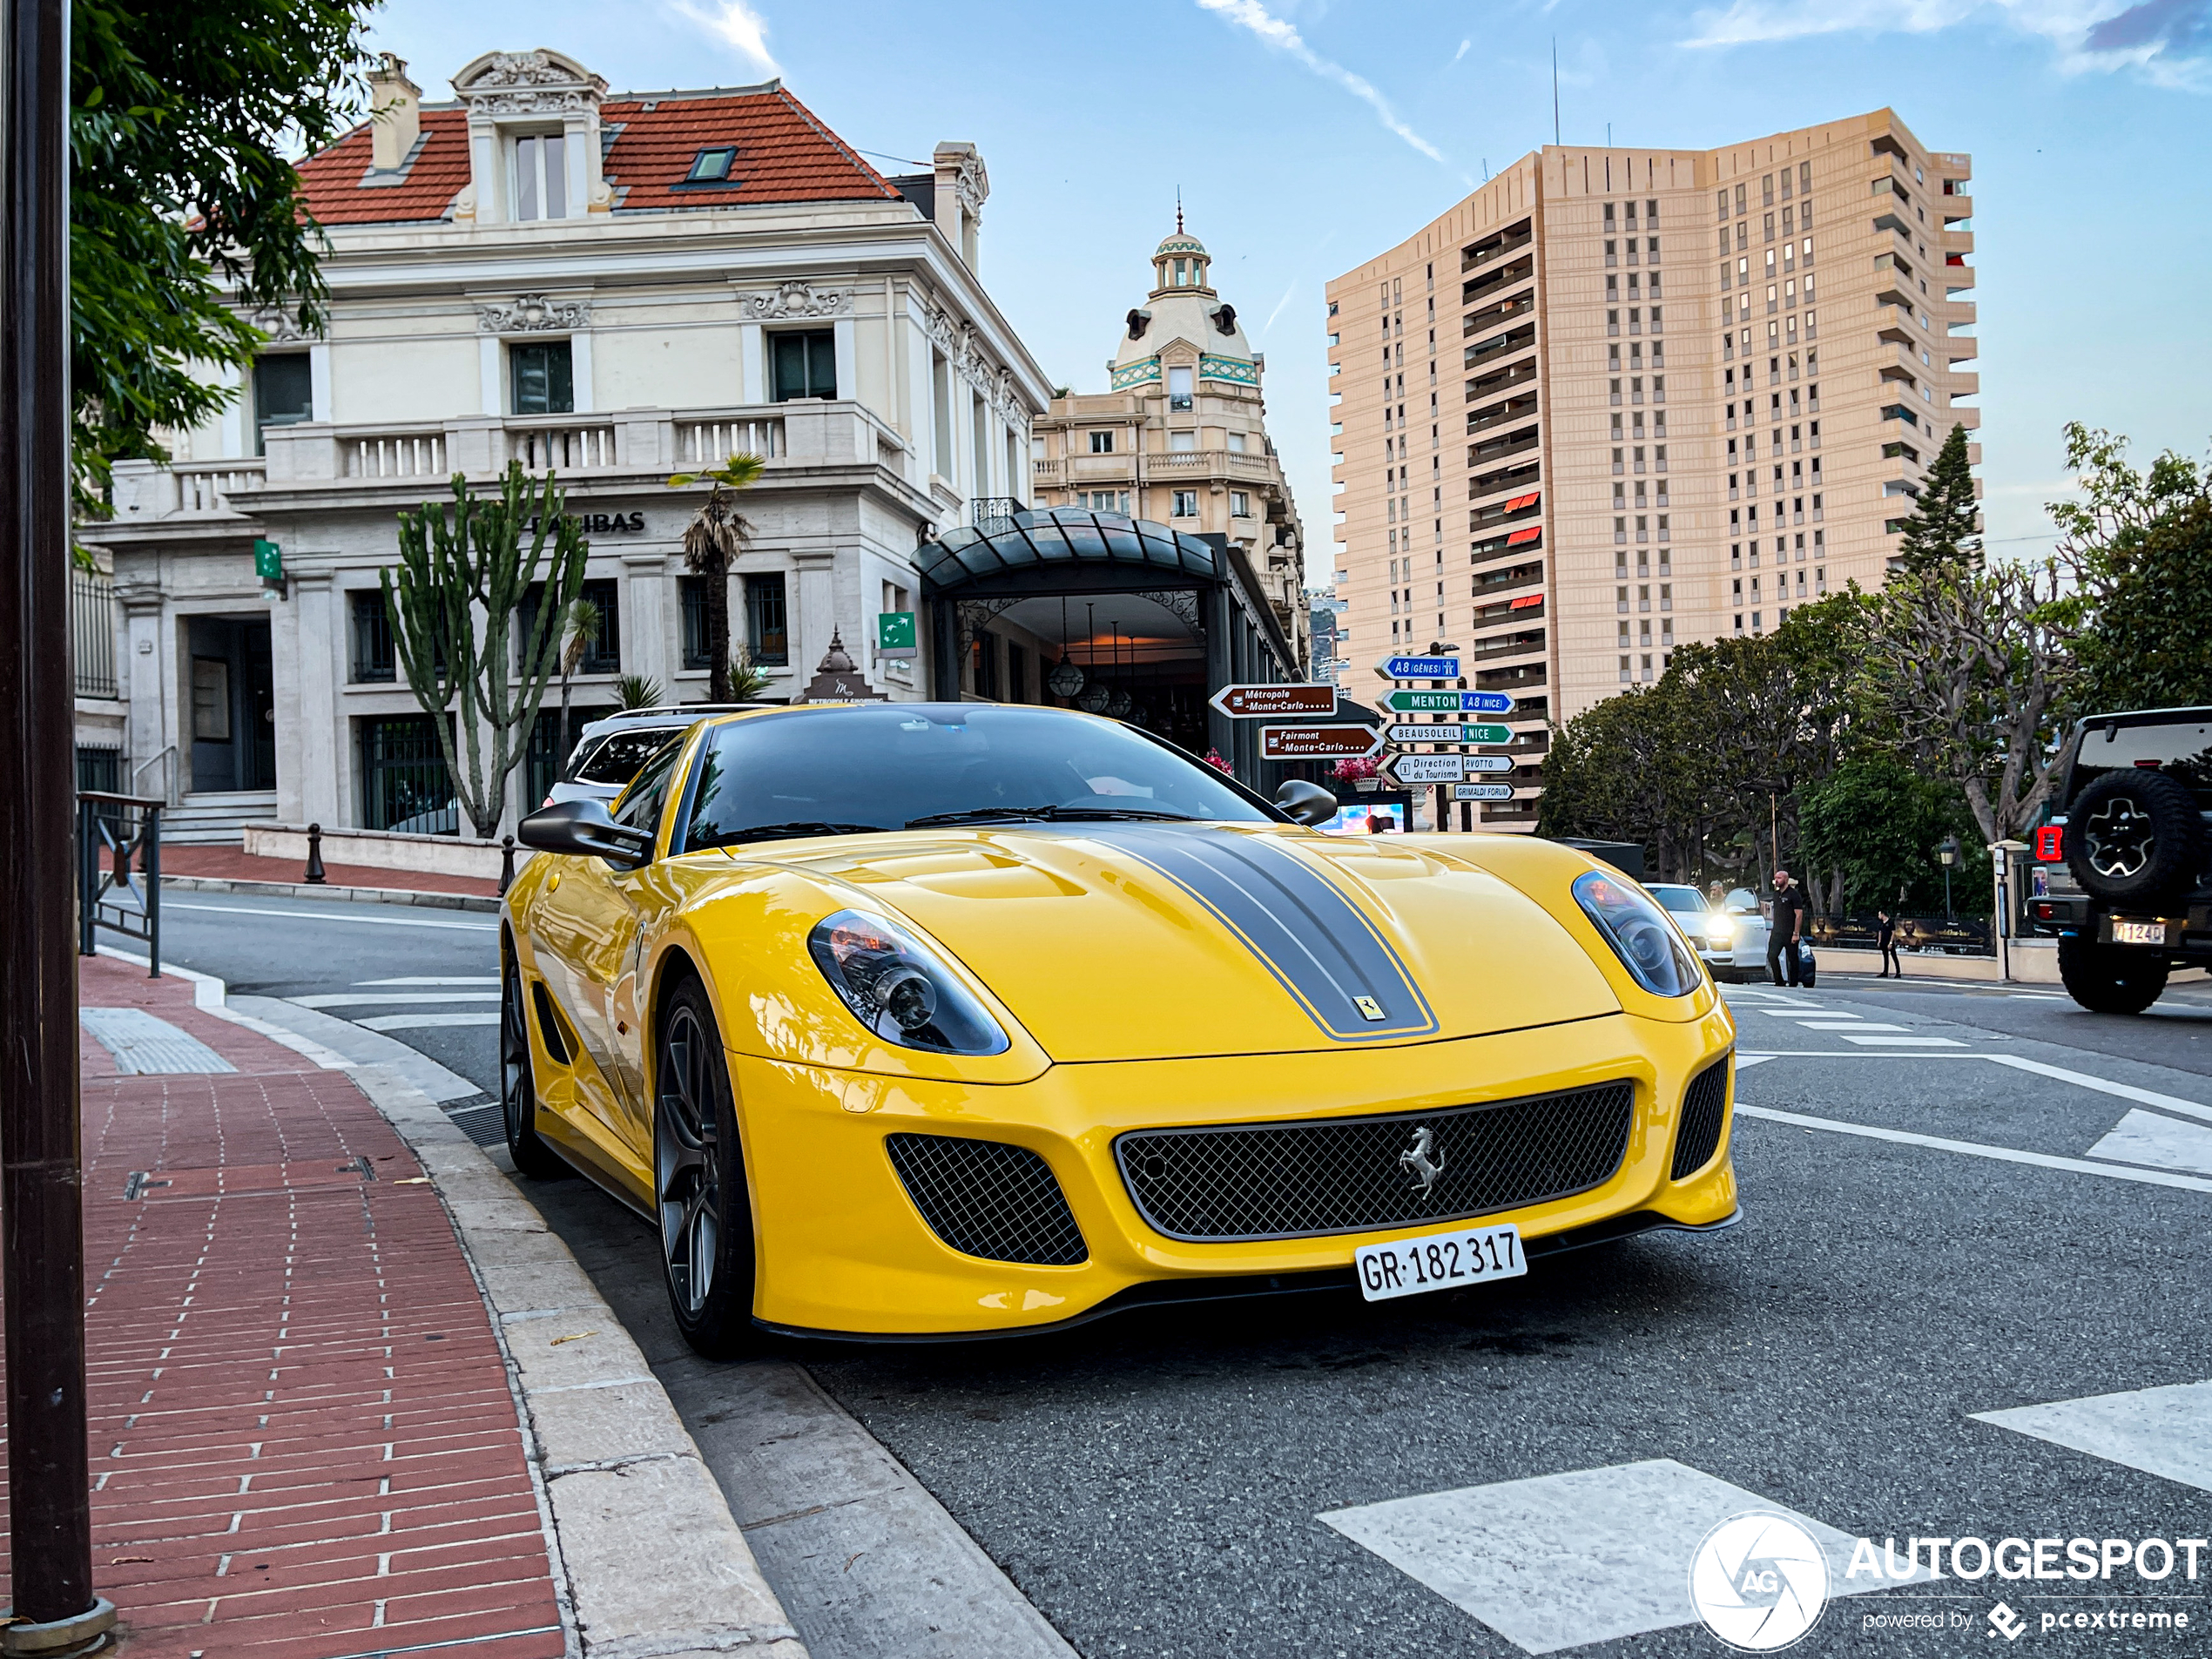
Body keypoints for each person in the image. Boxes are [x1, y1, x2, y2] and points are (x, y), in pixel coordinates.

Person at [1766, 867, 1808, 987]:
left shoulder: (1793, 895)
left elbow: (1799, 914)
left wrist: (1796, 933)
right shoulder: (1776, 894)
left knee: (1793, 959)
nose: (1777, 880)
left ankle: (1793, 982)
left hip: (1790, 932)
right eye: (1775, 878)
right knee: (1772, 956)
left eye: (1779, 878)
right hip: (1777, 932)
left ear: (1786, 879)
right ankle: (1779, 981)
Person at [1876, 908, 1901, 978]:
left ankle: (1898, 972)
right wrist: (1879, 941)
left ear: (1883, 914)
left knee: (1894, 956)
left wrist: (1891, 942)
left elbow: (1893, 933)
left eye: (1879, 914)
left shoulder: (1890, 922)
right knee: (1885, 957)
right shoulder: (1881, 923)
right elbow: (1880, 932)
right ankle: (1885, 971)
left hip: (1889, 941)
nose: (1879, 916)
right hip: (1883, 941)